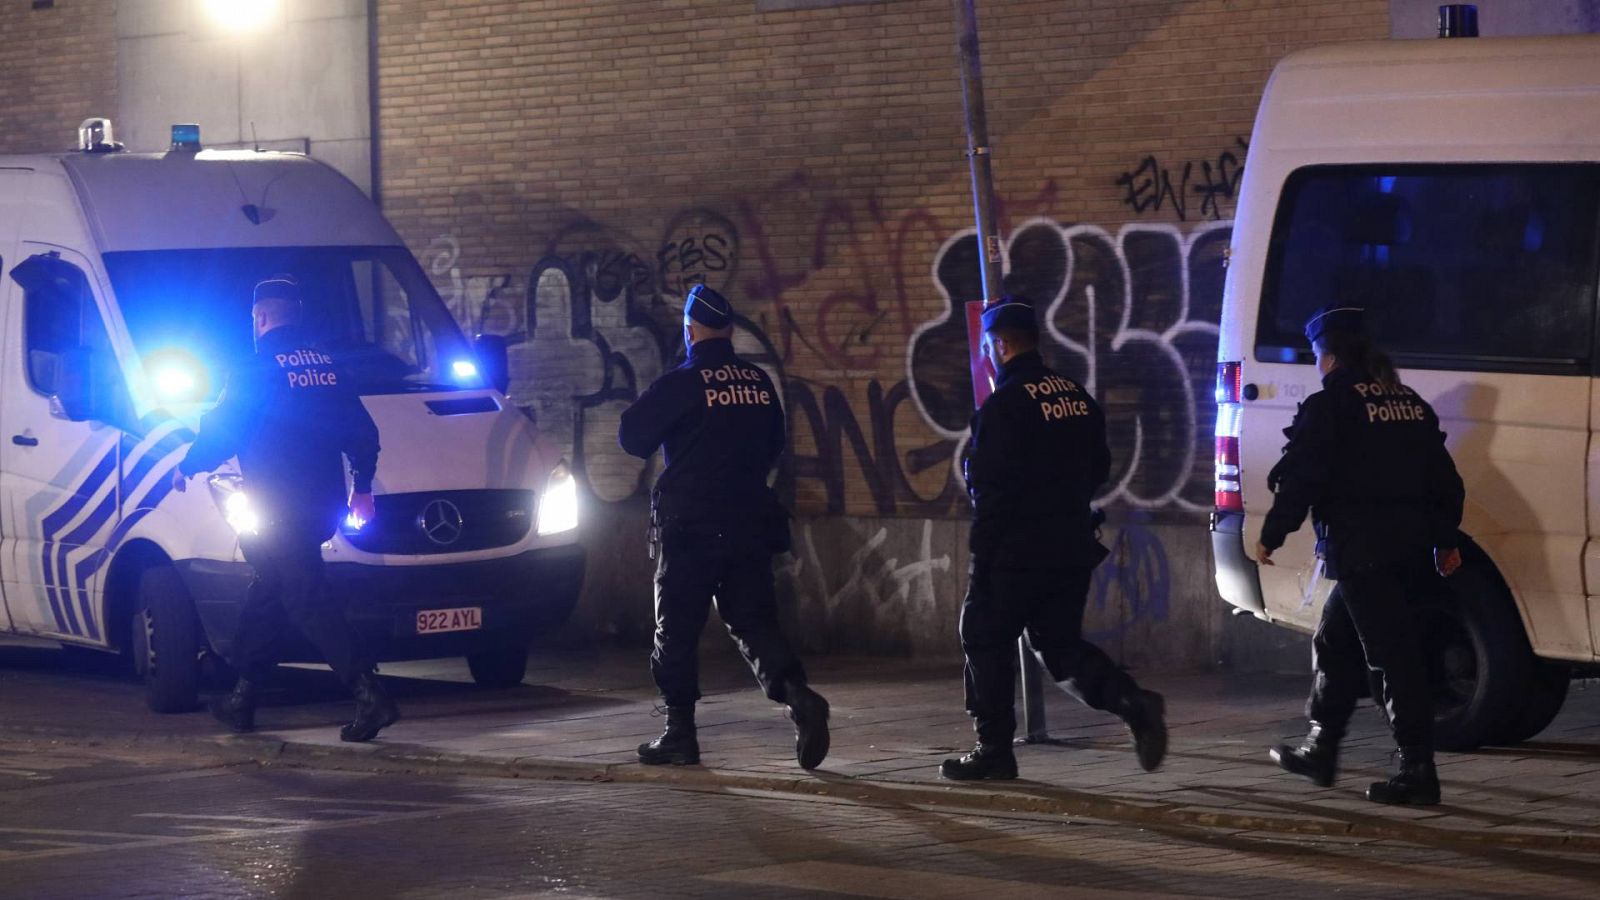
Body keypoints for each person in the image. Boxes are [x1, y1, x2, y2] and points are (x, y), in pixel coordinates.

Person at [942, 296, 1167, 781]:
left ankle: (993, 750)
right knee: (1059, 644)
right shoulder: (1075, 396)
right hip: (1069, 543)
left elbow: (991, 490)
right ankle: (1131, 701)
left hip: (1015, 552)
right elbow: (1099, 468)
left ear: (999, 344)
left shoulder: (1003, 407)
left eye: (988, 346)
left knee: (982, 636)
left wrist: (982, 555)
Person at [173, 274, 399, 743]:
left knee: (304, 595)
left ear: (260, 318)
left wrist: (189, 464)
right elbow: (363, 433)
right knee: (270, 587)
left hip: (277, 503)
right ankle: (243, 696)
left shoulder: (256, 369)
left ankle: (369, 693)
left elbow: (225, 428)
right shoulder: (328, 366)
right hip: (323, 502)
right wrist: (362, 489)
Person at [1257, 303, 1465, 806]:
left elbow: (1302, 477)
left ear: (1326, 355)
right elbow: (1444, 478)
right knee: (1334, 640)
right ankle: (1321, 747)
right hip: (1409, 549)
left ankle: (1419, 770)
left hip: (1362, 550)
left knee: (1393, 660)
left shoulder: (1331, 405)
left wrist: (1273, 533)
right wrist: (1446, 539)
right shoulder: (1406, 399)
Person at [617, 284, 829, 770]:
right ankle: (799, 696)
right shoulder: (757, 381)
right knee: (753, 620)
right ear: (729, 330)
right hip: (749, 519)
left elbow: (631, 437)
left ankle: (679, 733)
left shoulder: (683, 381)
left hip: (690, 525)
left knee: (676, 628)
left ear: (690, 331)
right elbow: (775, 443)